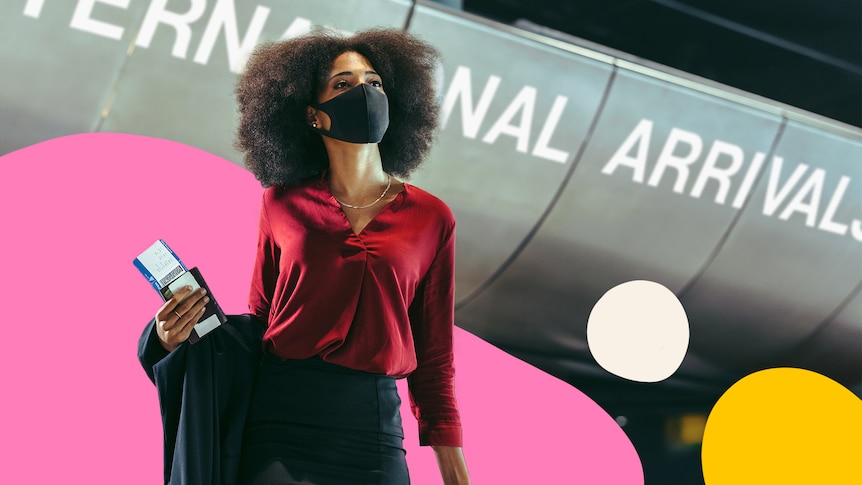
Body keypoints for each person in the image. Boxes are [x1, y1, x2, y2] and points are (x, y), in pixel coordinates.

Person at [151, 28, 470, 485]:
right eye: (343, 84)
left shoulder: (432, 218)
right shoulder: (280, 204)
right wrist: (171, 338)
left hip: (374, 433)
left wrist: (456, 476)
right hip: (279, 426)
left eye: (374, 82)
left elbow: (435, 364)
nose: (364, 92)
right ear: (313, 116)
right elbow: (258, 325)